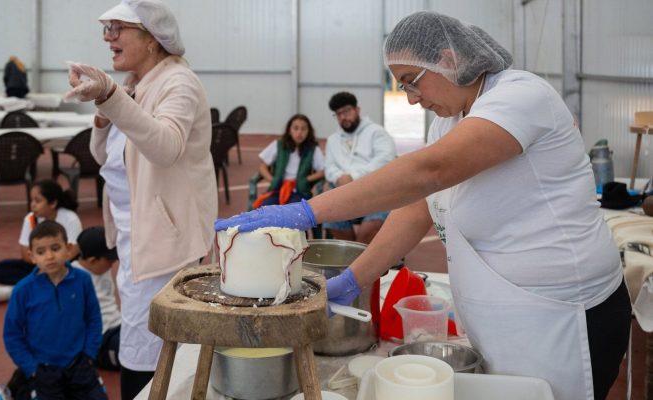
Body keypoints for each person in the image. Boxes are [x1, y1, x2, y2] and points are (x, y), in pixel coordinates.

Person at [215, 11, 629, 400]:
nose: (411, 99)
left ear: (448, 59)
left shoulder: (521, 96)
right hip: (509, 320)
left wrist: (307, 212)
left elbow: (429, 171)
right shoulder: (448, 121)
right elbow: (418, 207)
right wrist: (354, 279)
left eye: (412, 81)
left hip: (564, 316)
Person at [66, 1, 217, 398]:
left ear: (152, 39)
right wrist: (103, 114)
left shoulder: (177, 84)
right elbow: (105, 158)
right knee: (143, 342)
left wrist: (112, 97)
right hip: (139, 234)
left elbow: (165, 147)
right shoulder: (137, 83)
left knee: (154, 349)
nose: (107, 37)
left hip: (165, 239)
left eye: (118, 28)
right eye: (106, 28)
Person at [3, 221, 105, 400]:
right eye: (41, 252)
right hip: (43, 368)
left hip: (79, 363)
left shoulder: (83, 280)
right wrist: (31, 368)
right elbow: (12, 335)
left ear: (69, 249)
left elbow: (94, 319)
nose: (49, 256)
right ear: (32, 256)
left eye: (56, 248)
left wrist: (89, 354)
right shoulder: (22, 290)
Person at [0, 179, 82, 303]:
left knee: (79, 270)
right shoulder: (30, 219)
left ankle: (23, 288)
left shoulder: (70, 218)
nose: (32, 204)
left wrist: (52, 263)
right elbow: (25, 254)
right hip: (38, 265)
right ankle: (46, 284)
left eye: (38, 201)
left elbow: (73, 251)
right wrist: (44, 264)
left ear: (53, 203)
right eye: (32, 200)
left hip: (64, 265)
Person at [323, 91, 396, 244]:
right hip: (344, 192)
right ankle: (354, 255)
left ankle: (357, 258)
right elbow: (329, 166)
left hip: (375, 190)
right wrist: (338, 177)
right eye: (338, 114)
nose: (343, 117)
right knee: (330, 218)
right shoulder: (333, 140)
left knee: (370, 228)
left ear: (357, 110)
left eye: (347, 111)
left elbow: (385, 161)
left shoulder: (376, 132)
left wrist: (353, 177)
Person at [73, 227, 122, 371]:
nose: (113, 264)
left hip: (119, 326)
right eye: (110, 260)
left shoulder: (101, 269)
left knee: (152, 340)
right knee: (137, 355)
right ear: (93, 260)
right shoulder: (74, 278)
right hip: (101, 339)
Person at [252, 114, 325, 209]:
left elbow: (323, 171)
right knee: (266, 209)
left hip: (299, 191)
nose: (299, 132)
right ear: (289, 130)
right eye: (296, 128)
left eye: (303, 129)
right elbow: (263, 167)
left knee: (295, 212)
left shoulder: (313, 149)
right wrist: (272, 179)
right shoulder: (279, 145)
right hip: (278, 189)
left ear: (308, 131)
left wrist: (306, 179)